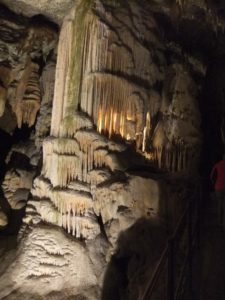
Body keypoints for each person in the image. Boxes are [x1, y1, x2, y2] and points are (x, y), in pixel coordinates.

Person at [210, 154, 225, 230]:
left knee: (220, 204)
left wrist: (214, 183)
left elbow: (212, 176)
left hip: (218, 187)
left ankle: (220, 221)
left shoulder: (217, 165)